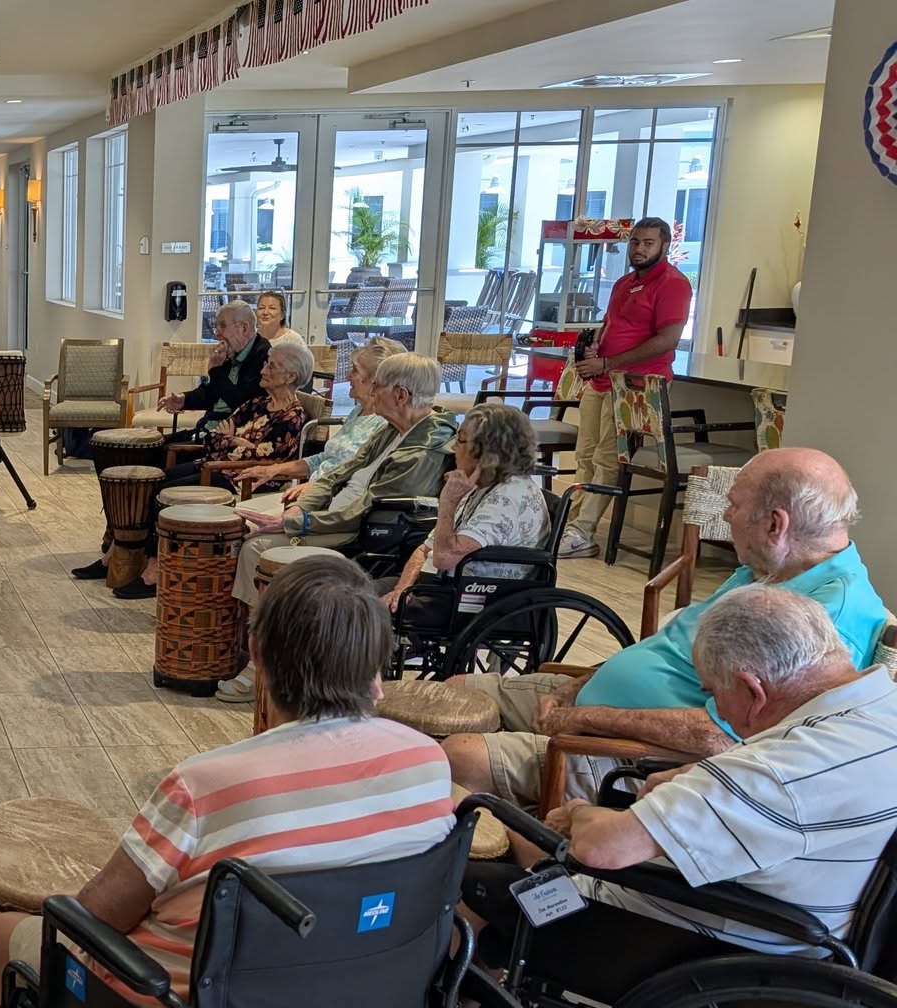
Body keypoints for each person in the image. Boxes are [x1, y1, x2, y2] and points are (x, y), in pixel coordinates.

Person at [0, 553, 455, 1002]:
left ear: (255, 653)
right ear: (374, 665)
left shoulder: (205, 785)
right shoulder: (428, 762)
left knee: (7, 931)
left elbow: (97, 918)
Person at [462, 588, 897, 1003]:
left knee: (476, 876)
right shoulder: (877, 711)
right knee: (526, 847)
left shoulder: (782, 770)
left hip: (698, 945)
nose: (718, 712)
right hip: (804, 938)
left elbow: (601, 848)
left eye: (712, 694)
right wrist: (696, 783)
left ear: (752, 689)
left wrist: (579, 813)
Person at [443, 448, 888, 808]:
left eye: (733, 506)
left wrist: (581, 717)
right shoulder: (766, 570)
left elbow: (728, 738)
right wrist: (573, 689)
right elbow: (665, 648)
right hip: (587, 707)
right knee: (454, 693)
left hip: (630, 755)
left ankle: (477, 892)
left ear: (775, 524)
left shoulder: (824, 619)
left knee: (457, 757)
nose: (726, 517)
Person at [216, 353, 455, 704]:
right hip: (335, 512)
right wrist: (301, 506)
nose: (372, 391)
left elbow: (365, 513)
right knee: (245, 529)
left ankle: (262, 662)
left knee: (257, 548)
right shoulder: (390, 429)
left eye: (378, 386)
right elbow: (335, 474)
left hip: (365, 533)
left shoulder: (423, 450)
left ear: (401, 395)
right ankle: (247, 646)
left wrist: (298, 521)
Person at [77, 339, 317, 598]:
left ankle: (154, 572)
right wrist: (233, 441)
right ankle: (117, 555)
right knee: (150, 482)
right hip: (218, 465)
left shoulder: (293, 417)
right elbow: (217, 433)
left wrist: (232, 440)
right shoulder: (258, 402)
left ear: (290, 376)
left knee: (163, 492)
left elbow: (261, 459)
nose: (263, 369)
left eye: (272, 366)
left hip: (240, 479)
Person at [556, 216, 692, 559]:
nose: (640, 249)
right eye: (635, 242)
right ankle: (571, 525)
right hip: (602, 379)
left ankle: (583, 530)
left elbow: (667, 340)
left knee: (607, 458)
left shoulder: (673, 284)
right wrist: (595, 348)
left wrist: (610, 363)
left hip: (637, 386)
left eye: (648, 243)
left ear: (664, 246)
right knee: (585, 454)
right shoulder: (624, 283)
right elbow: (609, 324)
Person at [381, 403, 550, 630]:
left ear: (487, 452)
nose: (453, 447)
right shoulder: (481, 485)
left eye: (460, 440)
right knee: (352, 592)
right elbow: (425, 549)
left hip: (471, 600)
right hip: (443, 585)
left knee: (358, 608)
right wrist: (401, 589)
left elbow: (443, 558)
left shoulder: (507, 499)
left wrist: (448, 503)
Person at [232, 336, 396, 497]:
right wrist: (274, 469)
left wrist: (316, 487)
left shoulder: (385, 423)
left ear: (375, 380)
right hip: (314, 492)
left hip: (332, 498)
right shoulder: (357, 412)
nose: (347, 377)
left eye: (355, 370)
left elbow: (363, 477)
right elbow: (322, 459)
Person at [158, 303, 267, 432]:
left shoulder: (263, 356)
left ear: (244, 328)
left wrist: (215, 370)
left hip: (231, 435)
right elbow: (211, 393)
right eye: (216, 327)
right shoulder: (235, 351)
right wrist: (184, 400)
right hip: (209, 428)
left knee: (160, 449)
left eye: (222, 326)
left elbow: (241, 403)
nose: (217, 334)